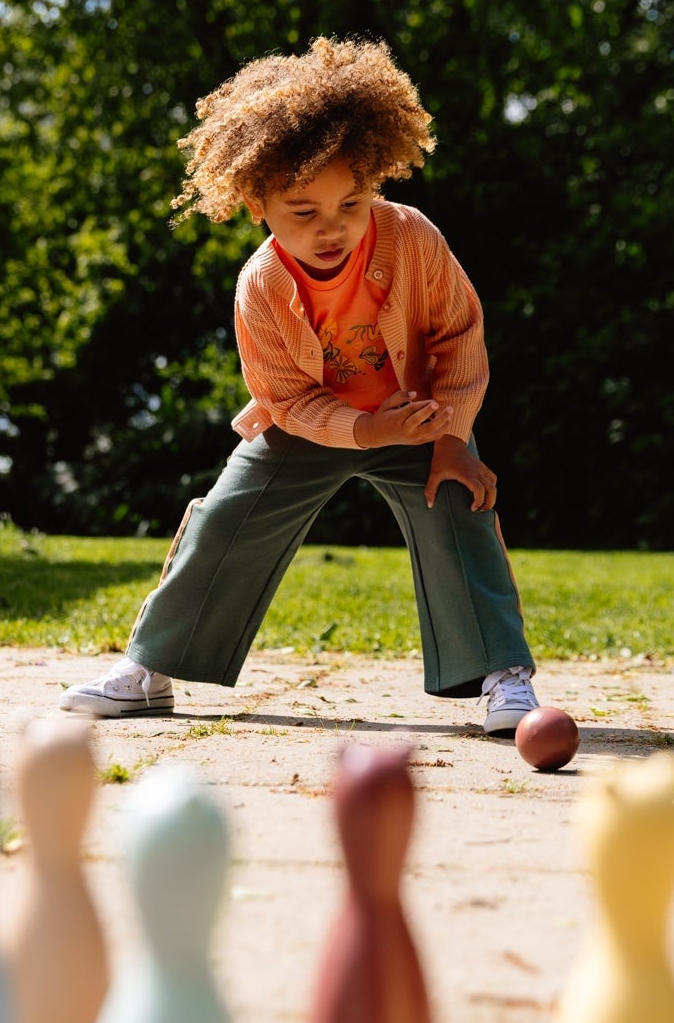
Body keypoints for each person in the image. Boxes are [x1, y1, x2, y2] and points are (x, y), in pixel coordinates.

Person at [59, 37, 541, 736]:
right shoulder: (259, 286)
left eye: (349, 203)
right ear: (256, 202)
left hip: (415, 418)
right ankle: (151, 668)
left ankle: (504, 675)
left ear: (373, 180)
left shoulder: (412, 239)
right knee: (225, 519)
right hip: (308, 425)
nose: (331, 229)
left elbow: (458, 338)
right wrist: (361, 429)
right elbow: (284, 397)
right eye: (302, 211)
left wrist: (449, 438)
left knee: (459, 501)